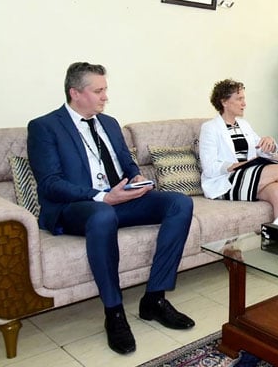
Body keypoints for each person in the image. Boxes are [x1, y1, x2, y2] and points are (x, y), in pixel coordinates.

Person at [27, 62, 195, 355]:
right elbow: (50, 184)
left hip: (120, 198)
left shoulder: (109, 123)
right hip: (77, 207)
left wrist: (137, 177)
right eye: (98, 91)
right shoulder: (45, 127)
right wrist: (102, 197)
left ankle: (154, 298)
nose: (106, 97)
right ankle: (114, 312)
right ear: (75, 93)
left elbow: (125, 162)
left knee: (179, 203)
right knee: (103, 214)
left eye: (106, 90)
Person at [198, 79, 278, 277]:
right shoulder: (210, 128)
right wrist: (233, 166)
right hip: (226, 182)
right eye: (239, 99)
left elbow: (262, 151)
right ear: (224, 102)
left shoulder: (244, 125)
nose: (244, 103)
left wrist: (270, 144)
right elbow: (210, 168)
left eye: (244, 98)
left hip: (246, 176)